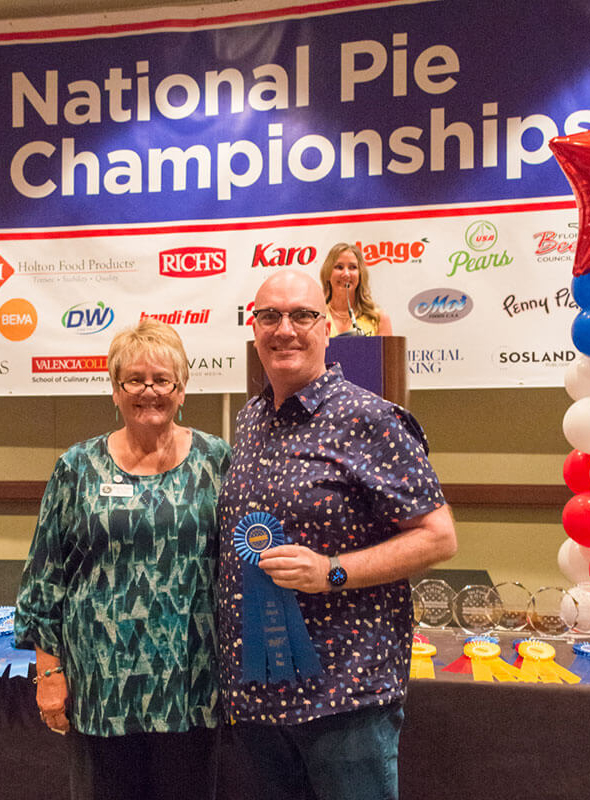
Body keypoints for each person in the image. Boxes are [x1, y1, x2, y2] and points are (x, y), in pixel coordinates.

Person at [217, 269, 457, 800]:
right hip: (259, 697)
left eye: (302, 315)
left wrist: (332, 572)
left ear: (326, 328)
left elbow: (438, 536)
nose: (285, 330)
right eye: (269, 316)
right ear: (254, 328)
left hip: (344, 695)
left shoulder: (371, 419)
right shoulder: (251, 420)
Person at [14, 318, 231, 800]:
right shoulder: (77, 466)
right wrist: (49, 674)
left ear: (182, 388)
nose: (148, 391)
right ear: (115, 390)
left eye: (162, 380)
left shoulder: (218, 460)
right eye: (134, 379)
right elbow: (45, 579)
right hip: (101, 688)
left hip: (192, 685)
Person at [319, 242, 393, 336]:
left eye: (352, 267)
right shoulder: (317, 317)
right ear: (327, 273)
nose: (346, 274)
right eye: (339, 267)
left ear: (360, 275)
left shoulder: (379, 319)